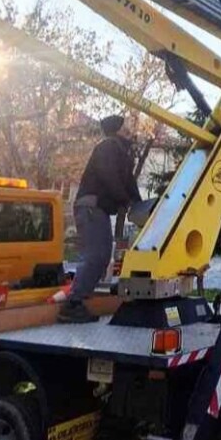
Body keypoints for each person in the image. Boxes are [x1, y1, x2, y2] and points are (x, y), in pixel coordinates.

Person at [58, 114, 141, 323]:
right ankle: (73, 304)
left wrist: (142, 206)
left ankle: (77, 300)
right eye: (126, 125)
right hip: (91, 207)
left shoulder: (121, 150)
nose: (130, 128)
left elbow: (129, 181)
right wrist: (125, 200)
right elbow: (109, 176)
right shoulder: (108, 146)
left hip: (97, 209)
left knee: (102, 255)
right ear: (117, 128)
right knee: (97, 254)